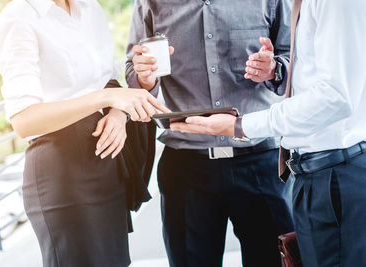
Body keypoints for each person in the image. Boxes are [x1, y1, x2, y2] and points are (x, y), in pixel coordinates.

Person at [171, 0, 366, 266]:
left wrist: (241, 126)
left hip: (334, 174)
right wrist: (275, 69)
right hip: (311, 172)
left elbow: (336, 96)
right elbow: (309, 74)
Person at [0, 0, 169, 266]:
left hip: (107, 166)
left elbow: (109, 81)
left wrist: (118, 115)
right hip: (64, 178)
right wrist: (105, 97)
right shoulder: (19, 17)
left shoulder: (90, 8)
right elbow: (24, 120)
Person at [126, 1, 293, 266]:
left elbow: (294, 61)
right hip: (186, 167)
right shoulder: (150, 3)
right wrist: (145, 78)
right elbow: (133, 72)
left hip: (261, 162)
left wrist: (274, 69)